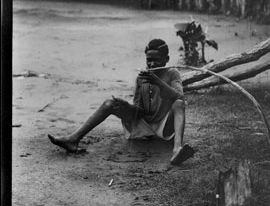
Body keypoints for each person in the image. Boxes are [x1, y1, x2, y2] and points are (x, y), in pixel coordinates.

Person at [48, 39, 196, 166]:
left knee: (178, 104)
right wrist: (127, 107)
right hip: (146, 126)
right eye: (148, 60)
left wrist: (157, 82)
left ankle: (177, 149)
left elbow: (180, 97)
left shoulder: (172, 73)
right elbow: (141, 110)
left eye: (155, 60)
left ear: (166, 59)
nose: (151, 64)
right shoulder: (142, 78)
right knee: (109, 103)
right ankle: (73, 139)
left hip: (164, 127)